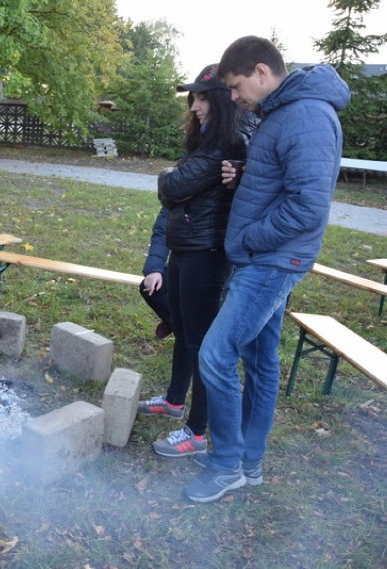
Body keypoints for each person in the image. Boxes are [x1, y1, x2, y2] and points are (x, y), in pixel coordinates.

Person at [184, 37, 350, 503]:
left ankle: (227, 464)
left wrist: (249, 238)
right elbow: (282, 181)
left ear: (261, 71)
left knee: (216, 355)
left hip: (272, 261)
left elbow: (308, 207)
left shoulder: (308, 116)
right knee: (260, 362)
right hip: (265, 257)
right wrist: (248, 174)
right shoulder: (283, 112)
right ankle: (249, 462)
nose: (232, 97)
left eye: (235, 87)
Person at [137, 63, 255, 459]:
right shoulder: (207, 142)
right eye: (194, 97)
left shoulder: (228, 142)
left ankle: (197, 432)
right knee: (184, 332)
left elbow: (172, 185)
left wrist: (173, 176)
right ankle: (174, 401)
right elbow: (173, 192)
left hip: (208, 253)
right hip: (187, 249)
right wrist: (176, 180)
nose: (196, 105)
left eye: (204, 97)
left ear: (223, 100)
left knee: (203, 344)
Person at [139, 207, 173, 341]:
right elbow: (162, 231)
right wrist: (154, 269)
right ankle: (175, 323)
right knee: (150, 288)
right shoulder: (176, 192)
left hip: (219, 266)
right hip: (184, 261)